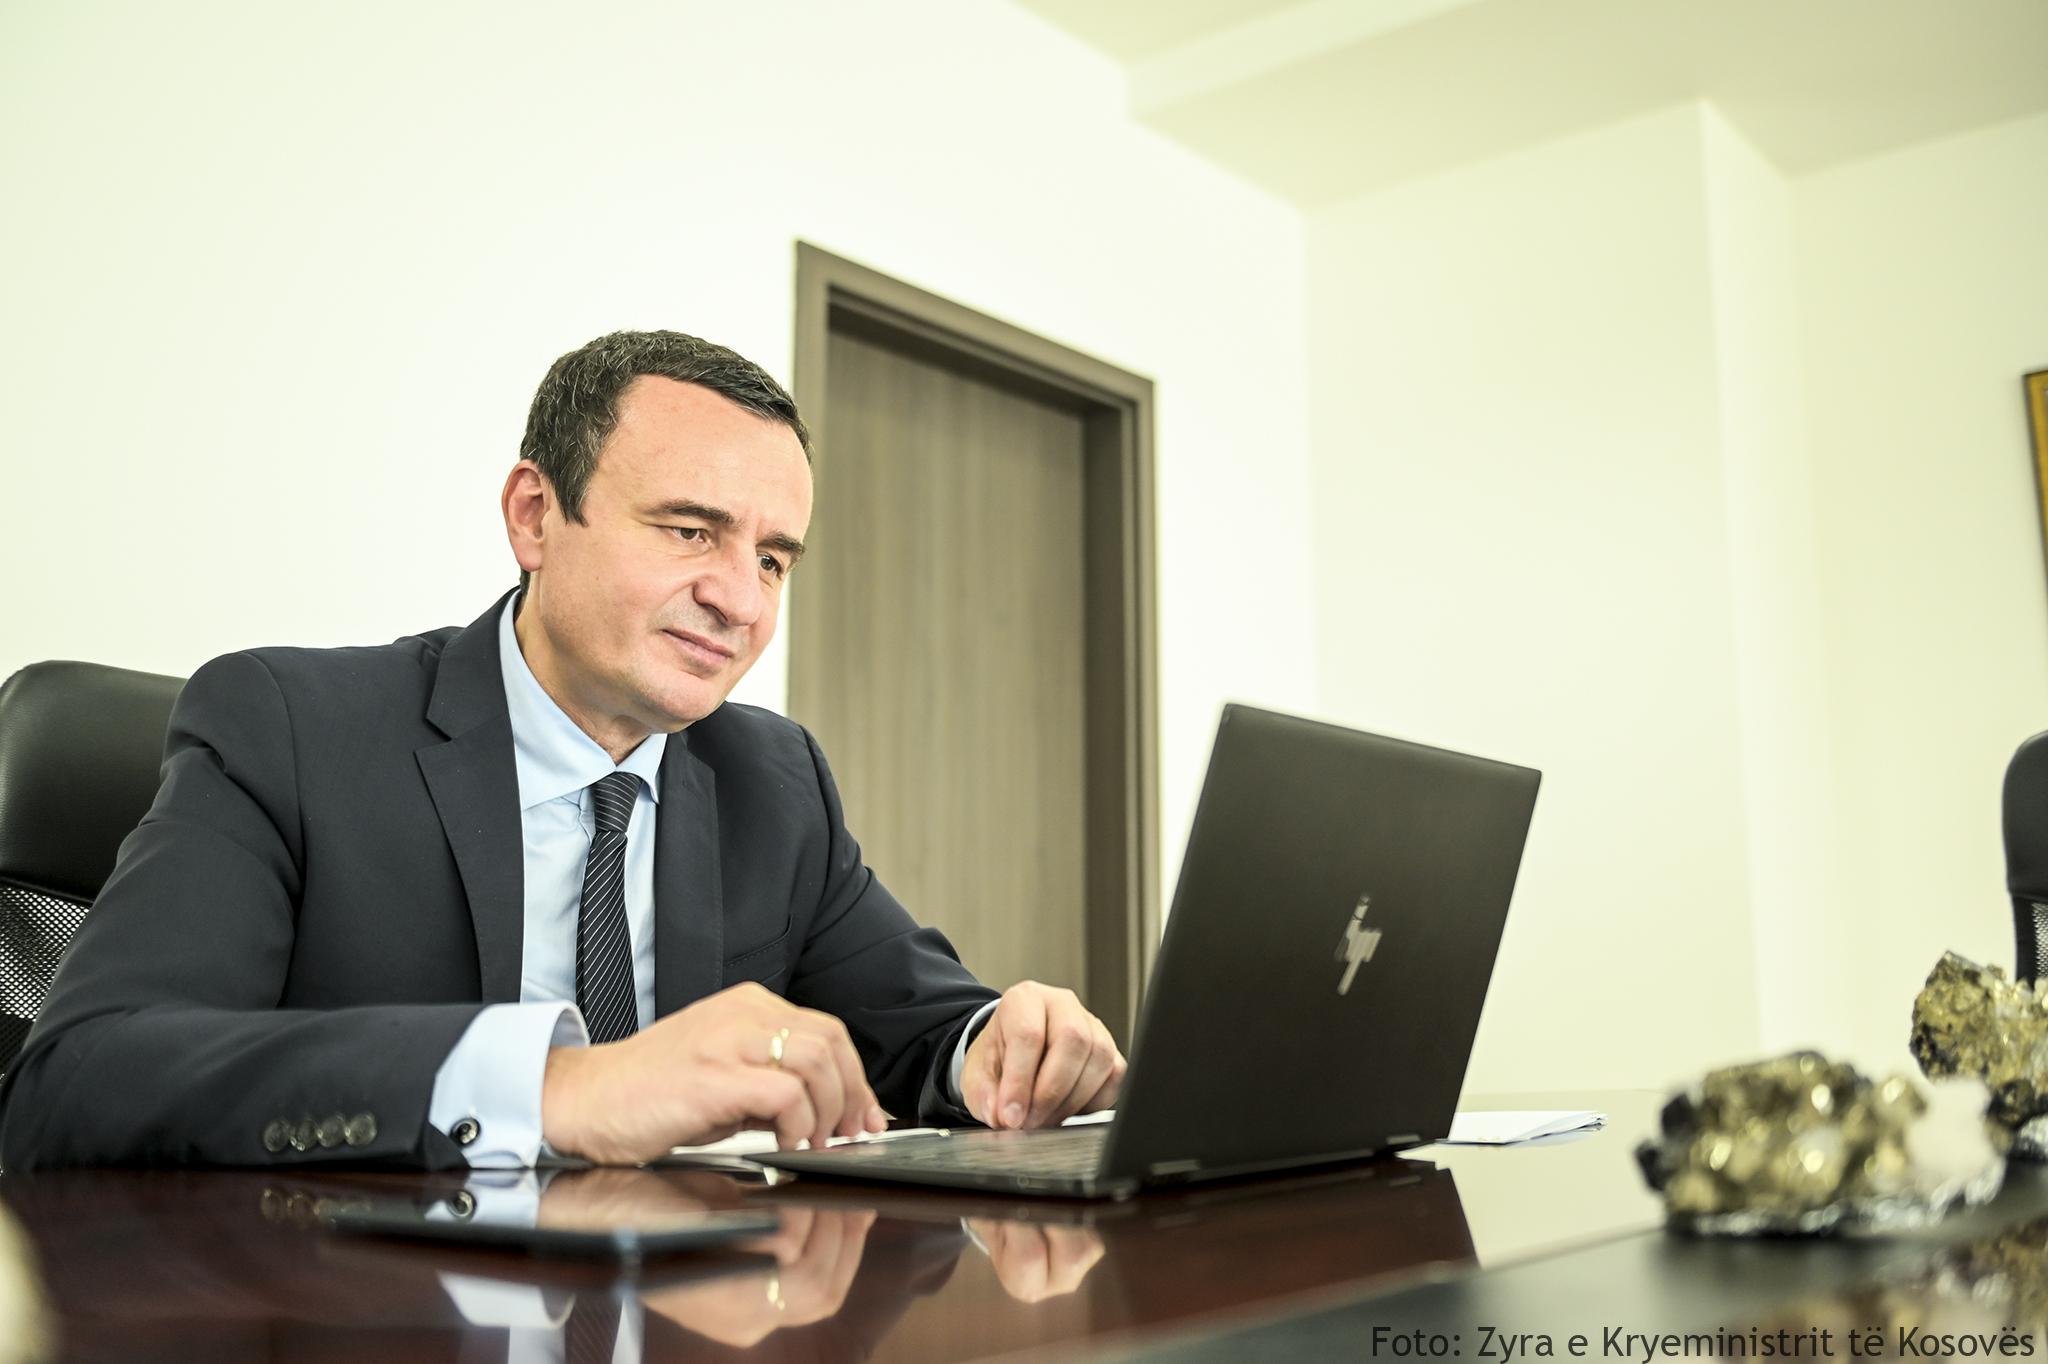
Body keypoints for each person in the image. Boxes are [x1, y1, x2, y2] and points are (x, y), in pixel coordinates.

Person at [0, 330, 1125, 1170]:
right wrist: (557, 1088)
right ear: (534, 516)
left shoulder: (774, 781)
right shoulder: (288, 726)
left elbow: (919, 1026)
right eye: (689, 530)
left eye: (773, 558)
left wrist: (1002, 1044)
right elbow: (81, 1079)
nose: (741, 600)